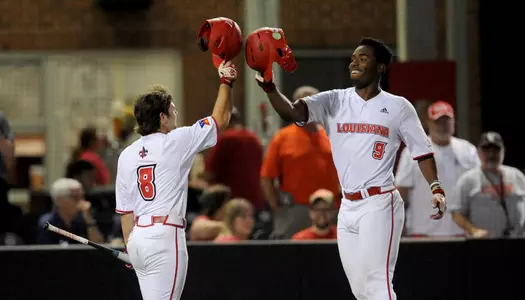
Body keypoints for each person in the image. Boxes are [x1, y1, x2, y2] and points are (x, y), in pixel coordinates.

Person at [254, 37, 446, 300]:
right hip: (347, 207)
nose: (355, 62)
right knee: (361, 290)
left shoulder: (399, 107)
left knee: (378, 284)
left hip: (380, 202)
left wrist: (436, 187)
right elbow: (293, 113)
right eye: (353, 58)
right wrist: (269, 87)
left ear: (380, 67)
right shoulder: (335, 100)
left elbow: (422, 152)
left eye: (363, 58)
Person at [114, 61, 237, 300]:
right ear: (162, 117)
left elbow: (125, 211)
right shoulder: (176, 141)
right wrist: (226, 82)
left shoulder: (127, 154)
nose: (176, 115)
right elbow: (221, 119)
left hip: (138, 238)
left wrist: (130, 246)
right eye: (173, 110)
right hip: (164, 238)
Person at [396, 100, 480, 237]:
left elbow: (478, 188)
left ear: (454, 122)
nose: (442, 126)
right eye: (438, 122)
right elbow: (401, 192)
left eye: (447, 121)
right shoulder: (414, 150)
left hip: (461, 232)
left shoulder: (468, 150)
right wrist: (400, 224)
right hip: (422, 231)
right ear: (428, 123)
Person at [450, 132, 525, 238]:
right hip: (484, 245)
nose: (491, 154)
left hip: (517, 243)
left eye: (496, 149)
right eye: (486, 149)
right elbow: (456, 213)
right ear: (478, 152)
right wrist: (473, 230)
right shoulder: (468, 180)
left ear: (503, 151)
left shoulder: (517, 176)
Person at [37, 178, 104, 245]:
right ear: (59, 200)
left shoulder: (85, 218)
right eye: (75, 197)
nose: (81, 201)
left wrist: (89, 220)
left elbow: (99, 246)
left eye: (82, 196)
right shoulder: (48, 222)